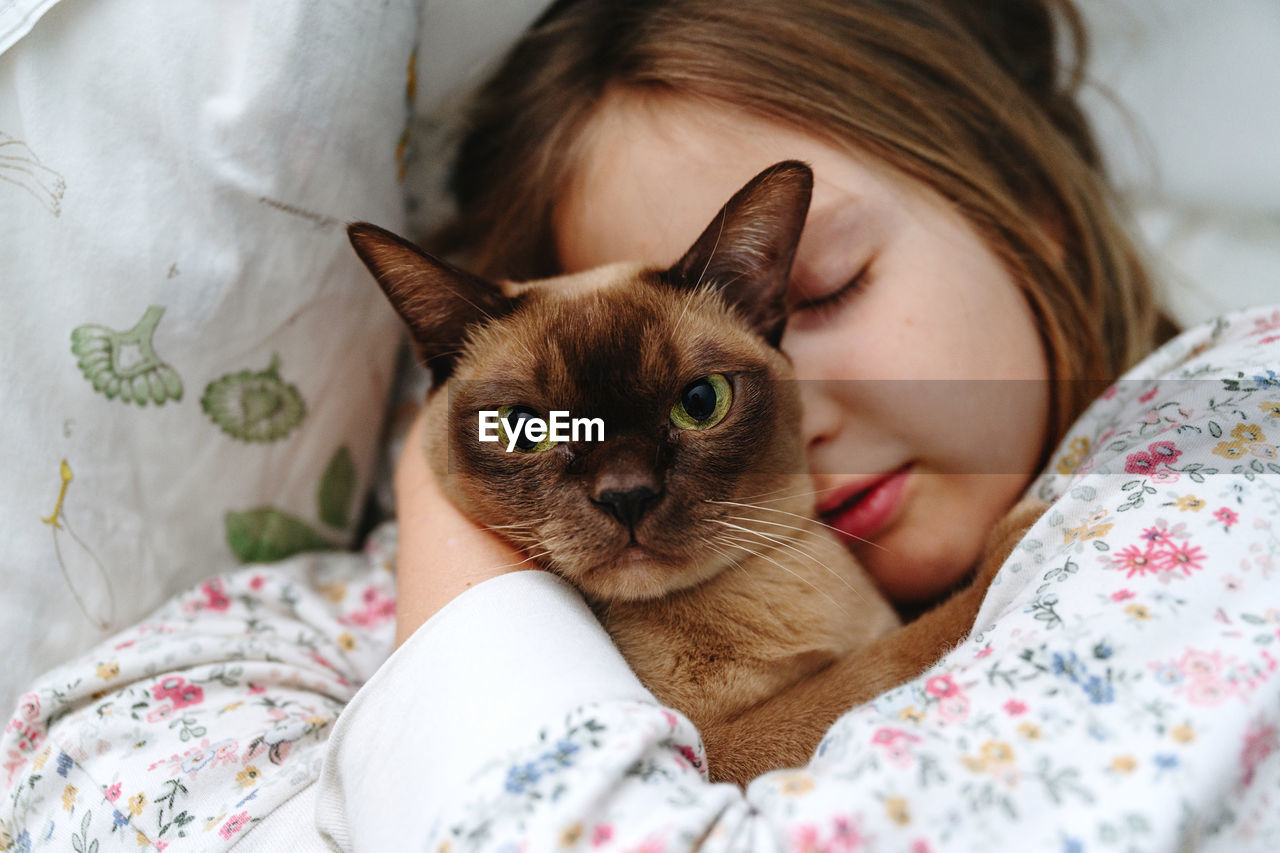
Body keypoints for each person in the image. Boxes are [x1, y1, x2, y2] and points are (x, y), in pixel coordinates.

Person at [3, 1, 1278, 851]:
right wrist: (454, 477)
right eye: (557, 404)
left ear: (1025, 208)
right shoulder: (386, 581)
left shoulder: (1221, 450)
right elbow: (76, 761)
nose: (795, 417)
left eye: (815, 293)